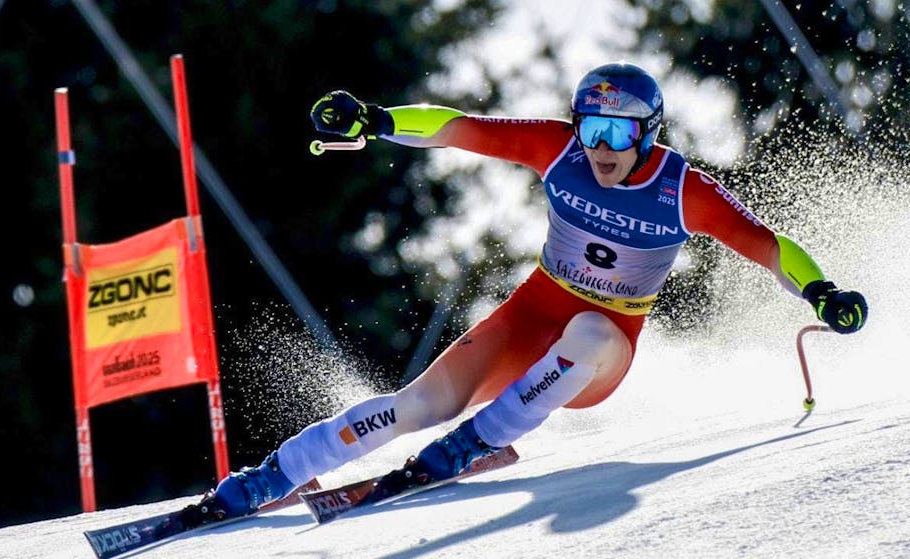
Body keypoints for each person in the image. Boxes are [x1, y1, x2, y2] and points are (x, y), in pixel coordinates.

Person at [202, 61, 868, 518]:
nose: (601, 147)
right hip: (531, 316)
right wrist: (375, 119)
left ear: (649, 134)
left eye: (619, 133)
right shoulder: (560, 150)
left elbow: (768, 246)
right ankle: (273, 474)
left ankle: (482, 437)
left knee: (589, 331)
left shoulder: (682, 190)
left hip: (600, 351)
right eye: (590, 127)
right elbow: (459, 127)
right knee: (417, 404)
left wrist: (821, 292)